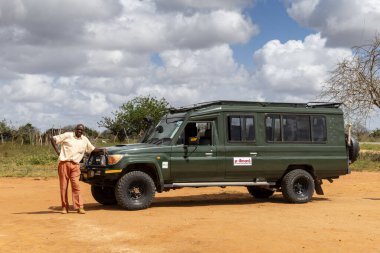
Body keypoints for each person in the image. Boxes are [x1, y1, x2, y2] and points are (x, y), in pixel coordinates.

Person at [50, 124, 103, 214]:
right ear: (75, 129)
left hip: (75, 165)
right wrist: (58, 152)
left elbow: (92, 149)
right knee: (63, 187)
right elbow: (53, 139)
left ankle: (79, 207)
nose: (80, 131)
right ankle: (64, 207)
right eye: (78, 129)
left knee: (76, 186)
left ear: (83, 131)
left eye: (82, 130)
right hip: (64, 164)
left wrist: (102, 150)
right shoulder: (68, 135)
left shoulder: (84, 139)